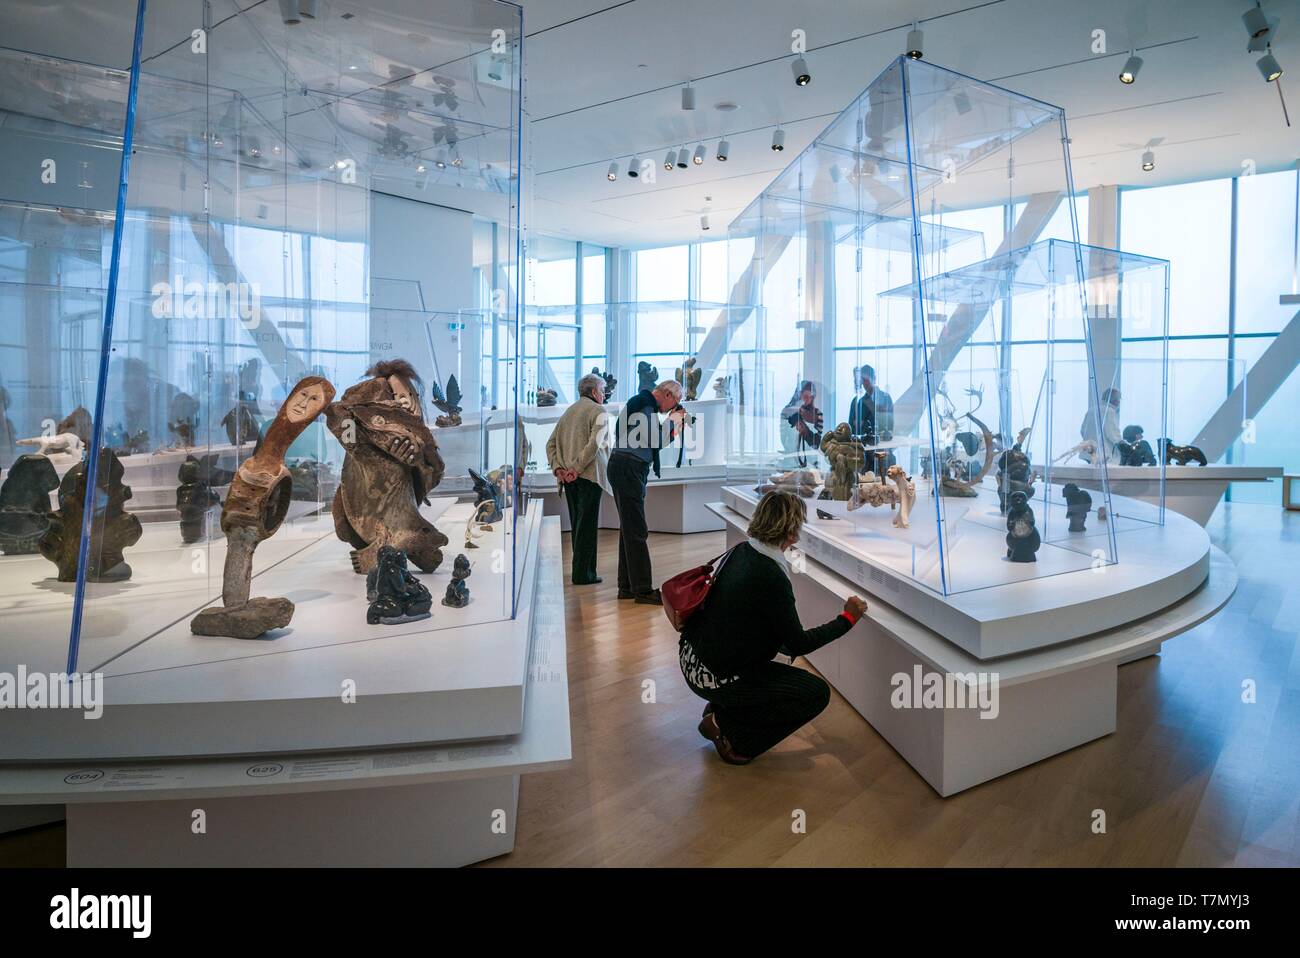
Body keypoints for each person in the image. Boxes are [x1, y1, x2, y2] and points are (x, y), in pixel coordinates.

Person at [680, 491, 867, 765]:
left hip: (691, 659)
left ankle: (723, 705)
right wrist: (846, 620)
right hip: (713, 675)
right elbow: (798, 643)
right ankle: (727, 728)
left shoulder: (741, 551)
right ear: (791, 532)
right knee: (814, 694)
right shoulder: (770, 575)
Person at [609, 378, 686, 604]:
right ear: (668, 395)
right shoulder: (645, 404)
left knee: (629, 529)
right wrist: (674, 422)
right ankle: (642, 590)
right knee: (637, 530)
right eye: (674, 403)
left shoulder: (640, 402)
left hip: (625, 467)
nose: (671, 409)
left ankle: (627, 586)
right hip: (629, 468)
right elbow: (656, 440)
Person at [545, 372, 612, 585]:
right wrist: (576, 468)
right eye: (602, 390)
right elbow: (595, 443)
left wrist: (559, 469)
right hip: (588, 476)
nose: (604, 394)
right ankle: (584, 574)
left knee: (578, 525)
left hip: (568, 479)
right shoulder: (599, 410)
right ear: (593, 392)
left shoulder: (569, 411)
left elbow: (550, 444)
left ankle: (582, 571)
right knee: (587, 527)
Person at [846, 364, 894, 444]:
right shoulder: (860, 402)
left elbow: (889, 425)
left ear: (874, 378)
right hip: (864, 446)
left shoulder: (885, 398)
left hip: (882, 444)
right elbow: (853, 429)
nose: (865, 383)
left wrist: (863, 423)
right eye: (863, 380)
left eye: (867, 379)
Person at [779, 381, 823, 462]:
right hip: (790, 459)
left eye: (811, 397)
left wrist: (805, 430)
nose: (808, 400)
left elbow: (816, 443)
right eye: (806, 396)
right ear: (799, 394)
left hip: (811, 460)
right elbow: (784, 440)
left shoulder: (817, 414)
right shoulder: (787, 411)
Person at [1080, 387, 1122, 464]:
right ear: (1115, 400)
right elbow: (1113, 435)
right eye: (1119, 399)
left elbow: (1082, 430)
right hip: (1103, 454)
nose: (1119, 402)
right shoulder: (1109, 412)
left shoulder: (1091, 410)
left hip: (1088, 453)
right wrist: (1123, 445)